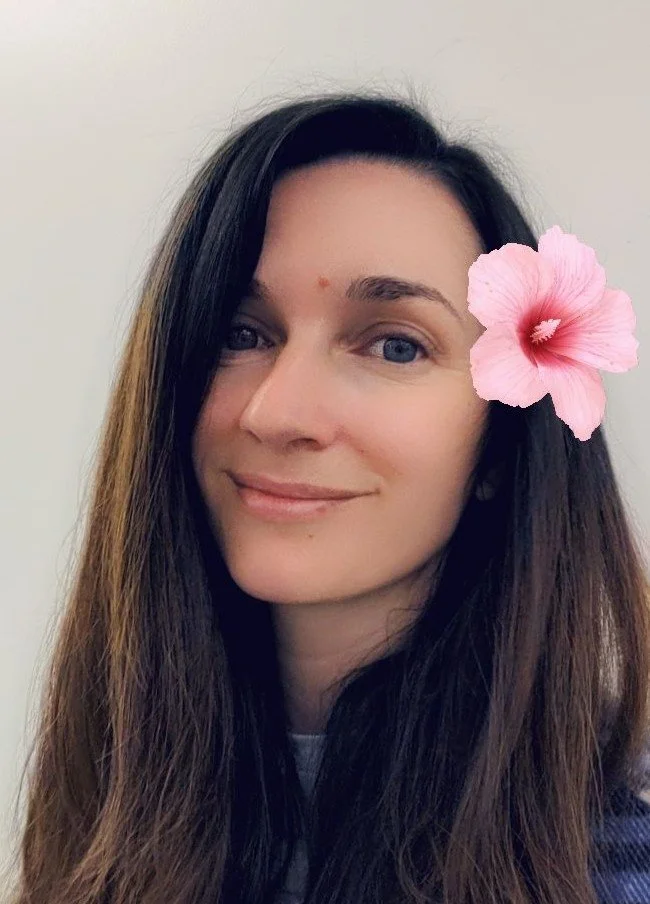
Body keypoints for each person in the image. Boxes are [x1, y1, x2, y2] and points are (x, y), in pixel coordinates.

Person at [7, 90, 650, 904]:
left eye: (394, 344)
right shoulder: (105, 804)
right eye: (241, 333)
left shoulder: (623, 849)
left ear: (504, 443)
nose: (275, 412)